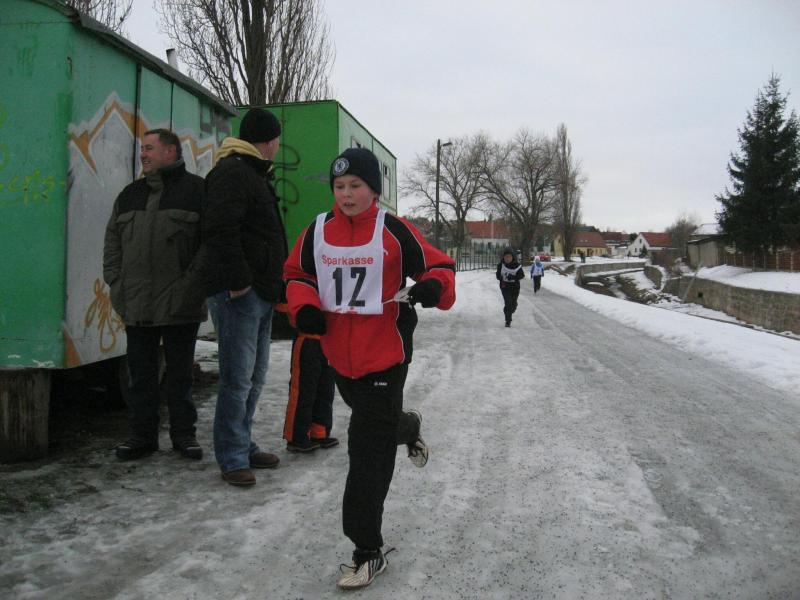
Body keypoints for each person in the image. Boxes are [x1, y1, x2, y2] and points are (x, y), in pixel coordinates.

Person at [284, 148, 456, 589]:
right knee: (376, 425)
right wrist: (304, 308)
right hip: (339, 358)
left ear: (374, 190)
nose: (346, 194)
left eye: (356, 186)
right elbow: (297, 276)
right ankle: (407, 425)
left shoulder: (393, 230)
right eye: (339, 187)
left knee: (366, 452)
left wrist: (432, 286)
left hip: (385, 356)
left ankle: (366, 550)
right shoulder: (318, 230)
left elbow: (439, 265)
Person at [103, 128, 206, 461]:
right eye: (142, 149)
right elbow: (112, 242)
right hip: (137, 301)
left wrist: (190, 288)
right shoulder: (130, 194)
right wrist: (116, 282)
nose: (143, 154)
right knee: (141, 377)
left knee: (180, 376)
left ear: (170, 152)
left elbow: (208, 246)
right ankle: (142, 437)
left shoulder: (197, 191)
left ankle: (184, 436)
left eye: (149, 148)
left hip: (180, 302)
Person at [200, 108, 288, 487]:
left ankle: (243, 443)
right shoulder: (233, 172)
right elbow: (219, 230)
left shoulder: (252, 172)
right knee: (237, 379)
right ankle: (232, 456)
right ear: (269, 140)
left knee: (253, 376)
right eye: (277, 139)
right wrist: (239, 281)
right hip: (240, 294)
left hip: (260, 292)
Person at [281, 321, 338, 453]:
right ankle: (297, 437)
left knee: (326, 390)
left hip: (328, 340)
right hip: (307, 338)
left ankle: (319, 433)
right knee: (303, 391)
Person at [496, 247, 524, 327]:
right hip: (505, 286)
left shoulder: (517, 266)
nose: (507, 258)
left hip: (515, 287)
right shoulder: (501, 265)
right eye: (506, 257)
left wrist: (513, 277)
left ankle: (510, 309)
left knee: (513, 304)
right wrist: (502, 277)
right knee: (508, 302)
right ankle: (508, 321)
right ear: (503, 257)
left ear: (512, 257)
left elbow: (522, 275)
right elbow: (497, 275)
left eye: (509, 257)